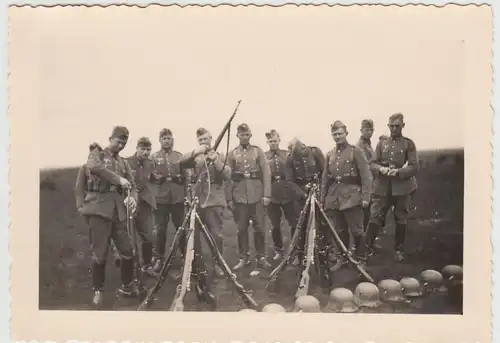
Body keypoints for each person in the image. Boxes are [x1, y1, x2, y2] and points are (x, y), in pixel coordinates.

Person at [76, 126, 140, 306]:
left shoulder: (123, 163)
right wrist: (118, 180)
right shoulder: (97, 155)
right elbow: (94, 168)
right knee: (100, 254)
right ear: (110, 138)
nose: (120, 145)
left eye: (124, 143)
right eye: (118, 141)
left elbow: (133, 186)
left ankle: (127, 286)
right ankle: (98, 290)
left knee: (127, 251)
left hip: (118, 213)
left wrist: (133, 199)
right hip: (99, 211)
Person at [365, 113, 419, 262]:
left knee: (400, 218)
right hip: (382, 187)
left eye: (397, 126)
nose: (394, 129)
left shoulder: (408, 144)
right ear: (388, 126)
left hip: (401, 188)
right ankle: (366, 249)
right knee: (375, 216)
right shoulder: (382, 144)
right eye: (392, 126)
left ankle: (398, 250)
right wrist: (381, 169)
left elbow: (414, 166)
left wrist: (399, 172)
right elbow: (372, 163)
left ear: (403, 126)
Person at [179, 127, 232, 277]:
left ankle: (218, 264)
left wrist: (216, 161)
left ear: (211, 139)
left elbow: (228, 174)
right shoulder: (195, 157)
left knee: (216, 235)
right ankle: (197, 265)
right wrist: (196, 151)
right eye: (200, 140)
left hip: (214, 201)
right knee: (193, 235)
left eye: (205, 139)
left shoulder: (219, 155)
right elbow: (181, 162)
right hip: (196, 200)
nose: (203, 142)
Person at [320, 121, 372, 267]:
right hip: (335, 196)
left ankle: (361, 258)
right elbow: (325, 179)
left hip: (352, 196)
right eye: (335, 134)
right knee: (339, 229)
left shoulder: (356, 151)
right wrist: (323, 199)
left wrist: (366, 197)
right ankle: (343, 258)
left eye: (340, 134)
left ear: (346, 134)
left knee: (356, 229)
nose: (337, 137)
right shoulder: (330, 154)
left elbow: (366, 175)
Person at [226, 123, 272, 273]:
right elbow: (228, 177)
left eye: (247, 135)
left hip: (257, 195)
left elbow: (266, 173)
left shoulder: (258, 152)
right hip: (239, 196)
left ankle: (261, 257)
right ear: (237, 136)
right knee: (241, 229)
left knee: (260, 227)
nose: (244, 137)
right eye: (242, 135)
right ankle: (243, 257)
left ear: (250, 136)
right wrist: (229, 198)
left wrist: (266, 195)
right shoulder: (232, 154)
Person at [150, 128, 191, 272]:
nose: (166, 141)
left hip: (177, 199)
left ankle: (185, 258)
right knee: (160, 230)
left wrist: (187, 195)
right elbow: (150, 176)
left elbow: (186, 177)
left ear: (172, 140)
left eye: (169, 138)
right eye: (164, 138)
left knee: (181, 228)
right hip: (160, 199)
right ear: (159, 140)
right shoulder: (154, 157)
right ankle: (159, 258)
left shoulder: (179, 156)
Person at [286, 138, 328, 267]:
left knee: (322, 223)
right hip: (300, 195)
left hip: (317, 192)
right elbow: (289, 181)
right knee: (299, 224)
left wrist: (320, 190)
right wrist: (302, 194)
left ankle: (325, 252)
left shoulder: (315, 152)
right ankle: (298, 254)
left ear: (305, 147)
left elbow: (325, 173)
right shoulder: (289, 159)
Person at [264, 129, 300, 261]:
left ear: (279, 140)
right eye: (270, 141)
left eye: (275, 140)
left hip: (287, 192)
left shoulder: (286, 154)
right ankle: (279, 250)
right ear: (267, 142)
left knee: (294, 222)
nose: (273, 143)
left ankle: (295, 250)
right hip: (272, 193)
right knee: (275, 225)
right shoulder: (264, 156)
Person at [125, 137, 157, 277]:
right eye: (143, 149)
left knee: (148, 236)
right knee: (128, 237)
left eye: (148, 149)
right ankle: (130, 268)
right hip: (129, 203)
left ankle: (147, 265)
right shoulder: (126, 162)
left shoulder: (150, 163)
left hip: (145, 203)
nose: (145, 152)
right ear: (137, 148)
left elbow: (153, 178)